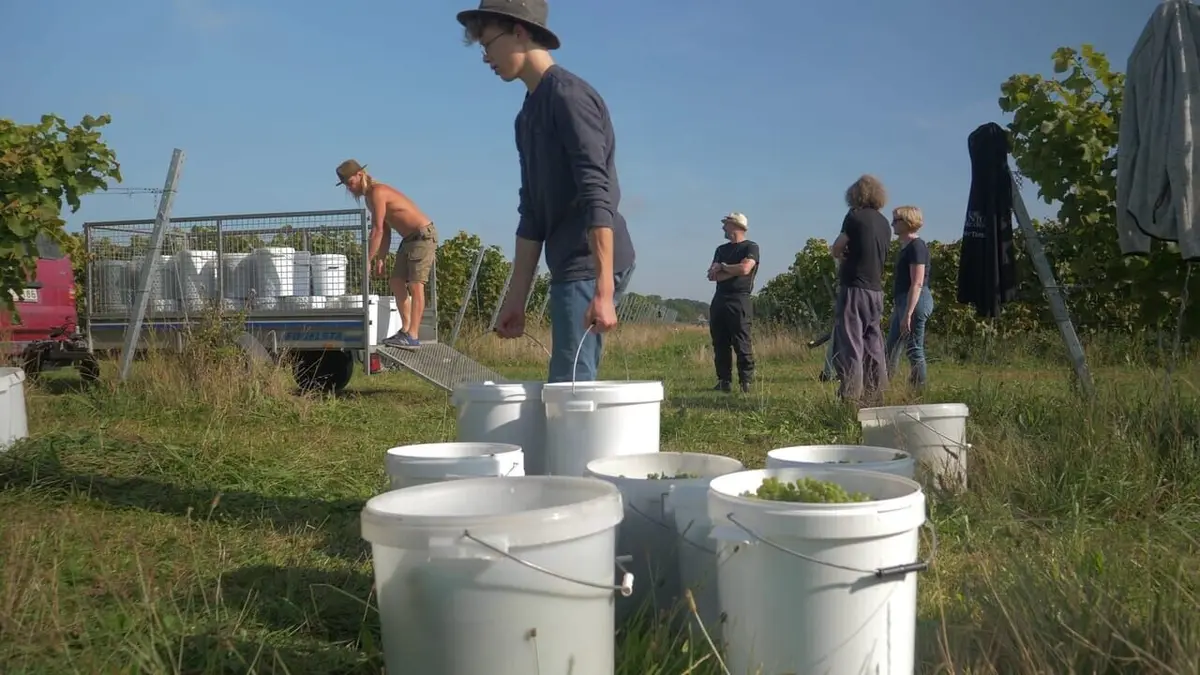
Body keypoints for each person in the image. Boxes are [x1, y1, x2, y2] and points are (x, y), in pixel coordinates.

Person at [458, 0, 636, 383]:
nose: (485, 56)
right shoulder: (527, 116)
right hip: (568, 263)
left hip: (589, 261)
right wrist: (516, 300)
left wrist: (603, 290)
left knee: (570, 385)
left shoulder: (568, 97)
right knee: (567, 382)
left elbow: (596, 194)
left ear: (519, 31)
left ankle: (581, 444)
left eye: (488, 43)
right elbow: (532, 213)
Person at [335, 159, 438, 350]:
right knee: (396, 281)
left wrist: (368, 259)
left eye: (350, 183)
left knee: (416, 285)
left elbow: (377, 230)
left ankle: (413, 335)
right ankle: (406, 329)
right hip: (408, 239)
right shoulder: (369, 198)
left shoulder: (378, 192)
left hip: (422, 236)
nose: (350, 189)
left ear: (360, 175)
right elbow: (387, 230)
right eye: (346, 186)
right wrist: (381, 257)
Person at [831, 174, 891, 403]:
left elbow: (839, 246)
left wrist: (837, 254)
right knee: (874, 343)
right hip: (876, 290)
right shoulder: (885, 222)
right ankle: (877, 395)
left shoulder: (853, 217)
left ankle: (850, 397)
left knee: (851, 342)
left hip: (854, 286)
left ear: (855, 195)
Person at [706, 212, 759, 392]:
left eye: (726, 224)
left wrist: (724, 267)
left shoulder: (751, 247)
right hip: (720, 299)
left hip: (740, 298)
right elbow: (712, 276)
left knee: (741, 340)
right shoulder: (721, 250)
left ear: (736, 226)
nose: (723, 227)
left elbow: (745, 269)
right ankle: (724, 380)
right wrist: (730, 270)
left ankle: (746, 381)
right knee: (720, 341)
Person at [885, 205, 935, 388]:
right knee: (891, 348)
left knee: (914, 349)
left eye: (896, 220)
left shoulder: (917, 247)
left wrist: (908, 313)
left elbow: (917, 282)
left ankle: (917, 391)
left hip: (915, 300)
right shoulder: (906, 247)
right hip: (905, 301)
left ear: (907, 222)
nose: (892, 224)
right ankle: (883, 388)